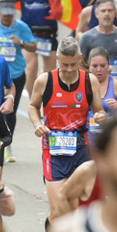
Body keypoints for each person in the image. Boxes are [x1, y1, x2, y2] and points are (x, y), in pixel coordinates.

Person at [33, 37, 99, 185]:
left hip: (82, 147)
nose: (69, 69)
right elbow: (33, 106)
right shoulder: (45, 80)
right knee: (58, 206)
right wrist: (38, 124)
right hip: (53, 147)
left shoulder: (90, 81)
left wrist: (100, 116)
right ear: (57, 59)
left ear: (80, 58)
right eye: (64, 64)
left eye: (73, 64)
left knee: (80, 203)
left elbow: (98, 110)